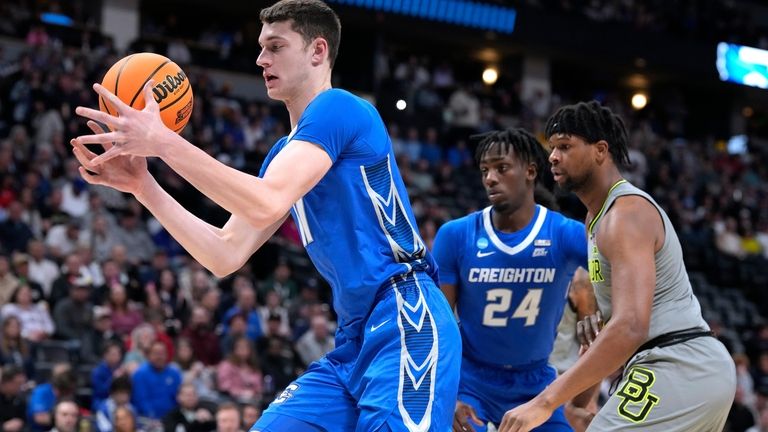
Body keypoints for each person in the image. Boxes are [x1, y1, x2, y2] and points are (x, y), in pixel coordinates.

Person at [70, 0, 460, 430]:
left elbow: (268, 201)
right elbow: (224, 253)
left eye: (275, 46)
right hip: (354, 337)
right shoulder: (284, 154)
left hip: (405, 317)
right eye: (260, 47)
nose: (260, 59)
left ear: (317, 51)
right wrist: (144, 187)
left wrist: (162, 142)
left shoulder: (341, 108)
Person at [497, 100, 736, 432]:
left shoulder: (624, 215)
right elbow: (616, 332)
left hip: (679, 363)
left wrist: (543, 402)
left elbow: (631, 328)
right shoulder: (594, 220)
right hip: (675, 366)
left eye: (565, 146)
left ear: (600, 150)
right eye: (552, 148)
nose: (552, 156)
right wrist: (578, 403)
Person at [431, 128, 590, 432]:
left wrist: (598, 307)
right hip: (470, 381)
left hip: (535, 383)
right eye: (485, 170)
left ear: (530, 171)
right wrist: (445, 394)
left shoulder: (564, 233)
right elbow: (437, 327)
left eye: (501, 168)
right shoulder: (456, 235)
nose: (490, 178)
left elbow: (615, 267)